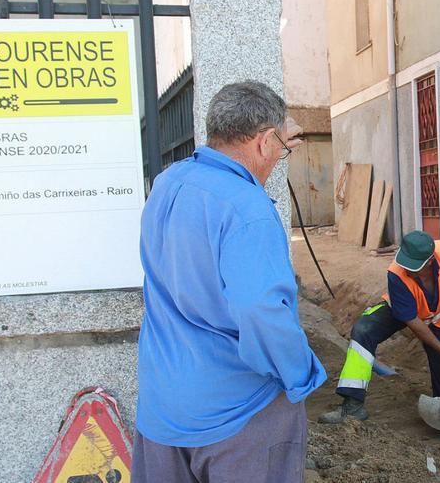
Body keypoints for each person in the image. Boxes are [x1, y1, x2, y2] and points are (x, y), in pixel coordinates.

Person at [132, 81, 326, 483]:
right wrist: (299, 373)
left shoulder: (168, 182)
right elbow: (260, 308)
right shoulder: (247, 207)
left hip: (163, 402)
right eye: (280, 148)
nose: (278, 158)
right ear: (263, 141)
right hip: (236, 414)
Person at [318, 230, 440, 431]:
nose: (406, 269)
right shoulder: (396, 274)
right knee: (364, 330)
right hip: (404, 310)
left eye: (413, 267)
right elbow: (413, 322)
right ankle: (352, 405)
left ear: (430, 261)